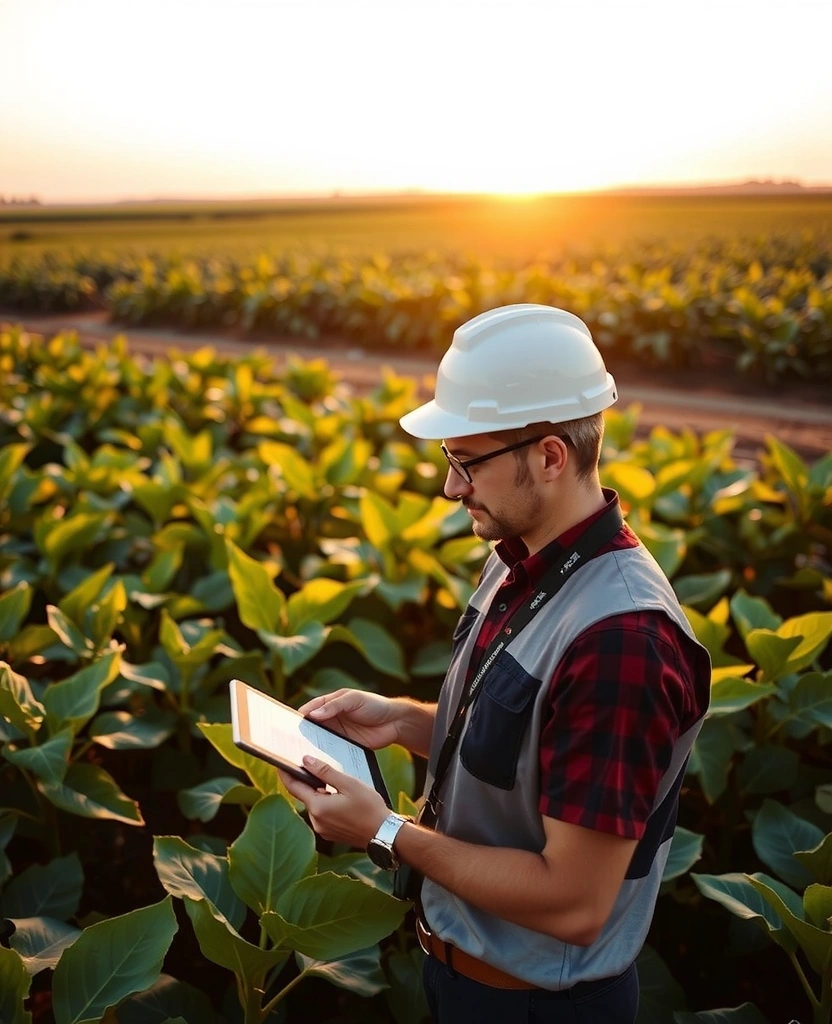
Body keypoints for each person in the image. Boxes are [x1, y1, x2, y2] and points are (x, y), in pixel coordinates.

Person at [278, 304, 711, 1023]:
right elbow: (531, 739)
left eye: (465, 461)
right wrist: (402, 721)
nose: (451, 489)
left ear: (548, 455)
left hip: (540, 1006)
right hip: (465, 978)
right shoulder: (521, 561)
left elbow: (573, 903)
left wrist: (385, 831)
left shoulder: (622, 642)